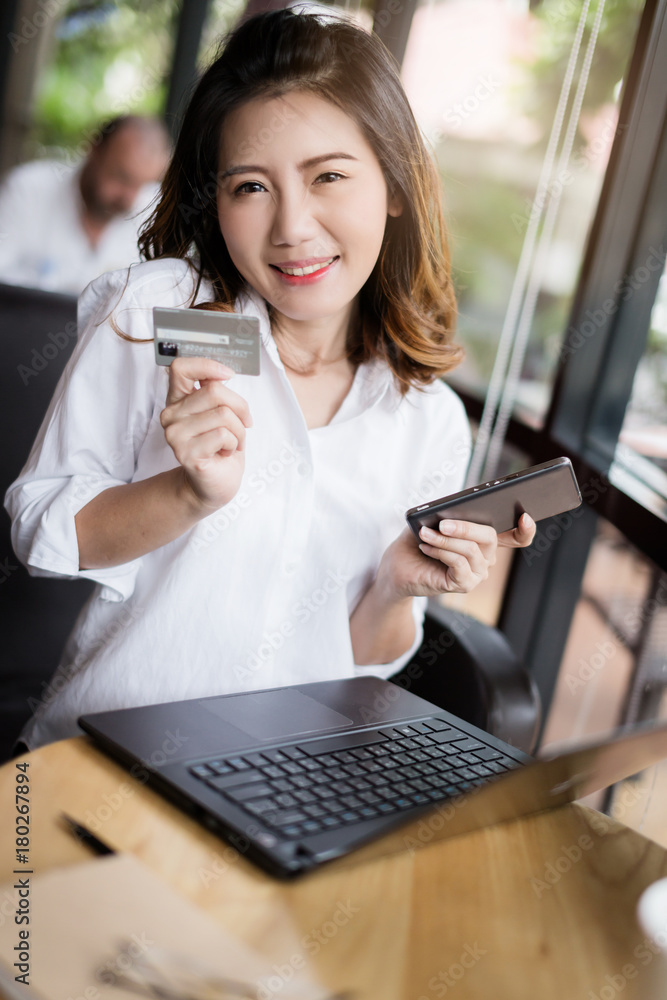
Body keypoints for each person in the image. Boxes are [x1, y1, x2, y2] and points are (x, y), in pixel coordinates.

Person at [5, 8, 535, 751]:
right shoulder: (161, 313)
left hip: (285, 782)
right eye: (250, 187)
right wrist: (185, 494)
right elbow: (43, 529)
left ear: (392, 183)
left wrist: (393, 585)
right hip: (105, 763)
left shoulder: (424, 415)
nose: (290, 227)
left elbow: (357, 658)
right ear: (214, 201)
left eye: (327, 177)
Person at [0, 115, 170, 295]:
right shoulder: (28, 189)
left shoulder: (156, 211)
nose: (129, 198)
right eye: (122, 177)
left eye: (141, 184)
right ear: (95, 150)